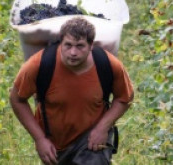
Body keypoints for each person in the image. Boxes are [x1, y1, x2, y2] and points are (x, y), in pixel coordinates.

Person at [11, 17, 134, 165]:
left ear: (91, 46)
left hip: (92, 138)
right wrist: (39, 139)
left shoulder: (108, 64)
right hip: (55, 143)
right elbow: (17, 99)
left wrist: (103, 127)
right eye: (68, 45)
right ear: (60, 43)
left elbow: (124, 98)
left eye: (80, 46)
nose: (73, 52)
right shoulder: (39, 65)